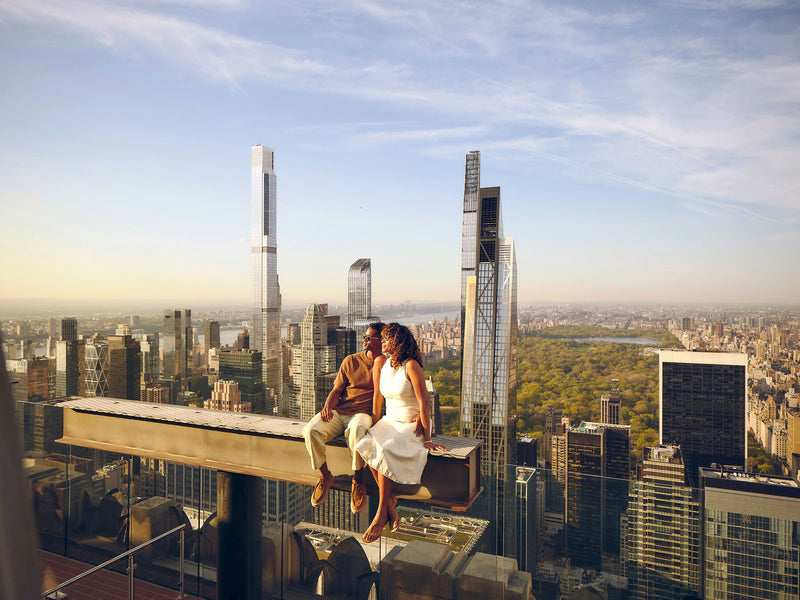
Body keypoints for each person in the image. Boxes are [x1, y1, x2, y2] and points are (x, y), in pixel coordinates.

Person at [355, 323, 445, 543]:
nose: (382, 342)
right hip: (389, 421)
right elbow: (378, 397)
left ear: (397, 342)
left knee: (384, 450)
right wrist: (374, 426)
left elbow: (424, 401)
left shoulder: (411, 366)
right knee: (364, 445)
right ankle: (390, 503)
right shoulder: (383, 365)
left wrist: (428, 438)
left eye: (386, 338)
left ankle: (380, 514)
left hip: (411, 424)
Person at [302, 322, 385, 514]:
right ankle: (325, 475)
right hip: (339, 411)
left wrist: (375, 421)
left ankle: (359, 479)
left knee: (357, 430)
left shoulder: (385, 365)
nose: (364, 340)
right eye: (365, 336)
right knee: (311, 430)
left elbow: (382, 396)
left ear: (381, 341)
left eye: (369, 337)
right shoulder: (351, 360)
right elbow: (337, 389)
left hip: (362, 414)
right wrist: (327, 407)